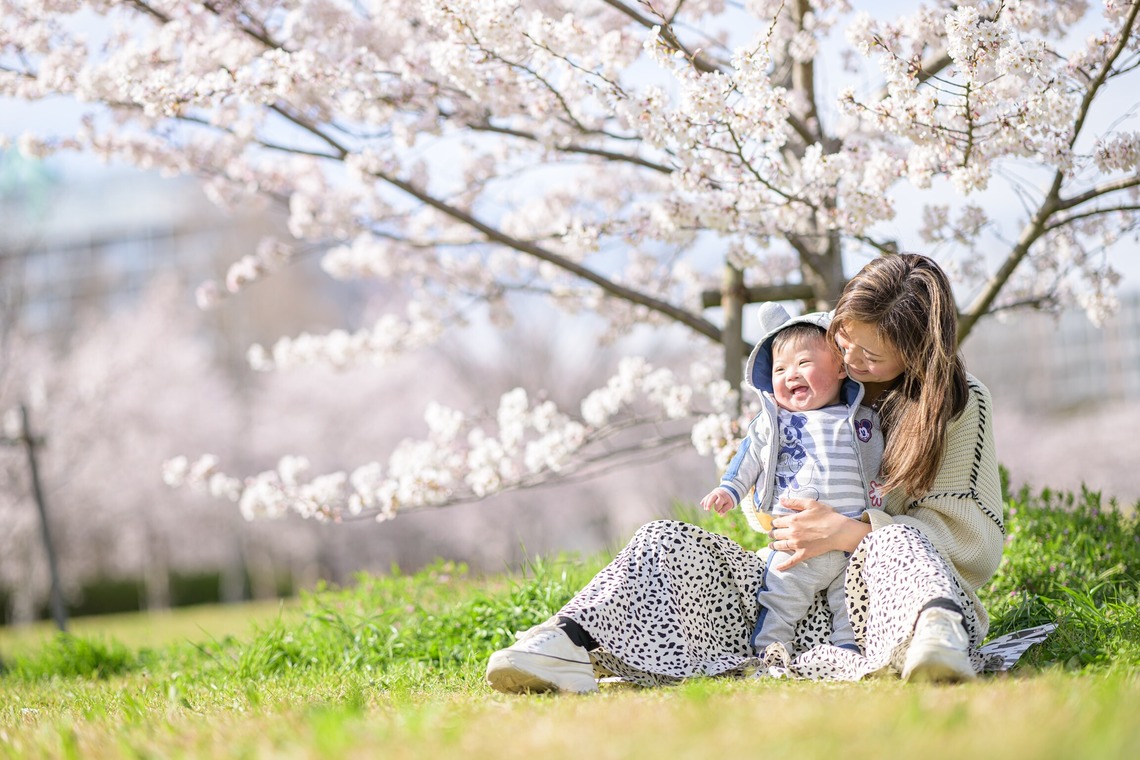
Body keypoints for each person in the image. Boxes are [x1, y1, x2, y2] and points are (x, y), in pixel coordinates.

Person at [485, 253, 1004, 693]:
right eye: (844, 341)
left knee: (898, 544)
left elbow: (973, 540)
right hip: (790, 598)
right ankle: (569, 641)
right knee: (664, 539)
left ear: (915, 356)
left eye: (870, 356)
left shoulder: (956, 403)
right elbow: (763, 488)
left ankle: (935, 641)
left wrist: (853, 531)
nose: (848, 359)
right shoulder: (803, 356)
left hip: (879, 604)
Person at [698, 303, 882, 657]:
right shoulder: (775, 422)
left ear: (840, 367)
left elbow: (884, 463)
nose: (790, 375)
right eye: (780, 369)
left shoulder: (859, 419)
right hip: (794, 541)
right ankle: (769, 651)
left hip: (850, 540)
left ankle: (848, 652)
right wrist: (728, 490)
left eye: (803, 363)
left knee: (854, 602)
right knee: (780, 597)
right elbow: (748, 457)